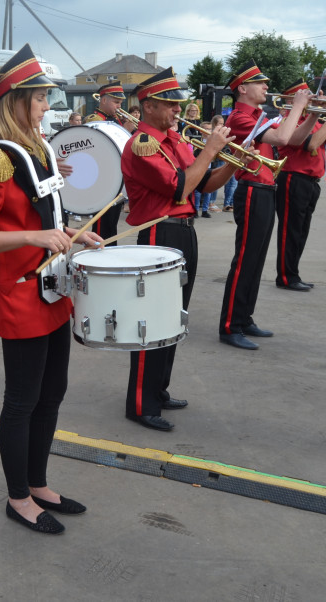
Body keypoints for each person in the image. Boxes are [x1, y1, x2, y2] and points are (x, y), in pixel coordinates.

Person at [0, 43, 102, 534]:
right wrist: (34, 237)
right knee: (22, 399)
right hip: (19, 294)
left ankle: (37, 483)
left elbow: (45, 215)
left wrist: (76, 234)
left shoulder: (36, 149)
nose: (46, 107)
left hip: (53, 291)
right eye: (39, 99)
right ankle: (18, 498)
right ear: (14, 101)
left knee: (52, 392)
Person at [121, 67, 243, 431]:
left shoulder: (174, 140)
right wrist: (210, 149)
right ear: (150, 105)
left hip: (183, 232)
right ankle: (140, 403)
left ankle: (158, 391)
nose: (178, 111)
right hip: (159, 233)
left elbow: (203, 184)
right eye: (171, 105)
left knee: (174, 318)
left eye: (178, 105)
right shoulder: (143, 143)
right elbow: (178, 188)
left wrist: (235, 164)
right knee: (152, 321)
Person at [218, 61, 317, 350]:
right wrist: (298, 104)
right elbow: (283, 137)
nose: (266, 87)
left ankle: (244, 318)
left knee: (257, 260)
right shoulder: (239, 117)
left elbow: (296, 141)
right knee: (245, 261)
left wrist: (310, 115)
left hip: (265, 189)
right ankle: (229, 326)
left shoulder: (259, 115)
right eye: (261, 83)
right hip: (251, 191)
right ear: (243, 88)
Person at [274, 80, 326, 292]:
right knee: (291, 232)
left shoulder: (312, 120)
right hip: (293, 179)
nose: (314, 97)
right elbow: (312, 144)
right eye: (306, 95)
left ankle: (293, 273)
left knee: (301, 232)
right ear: (292, 98)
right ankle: (286, 276)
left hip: (310, 183)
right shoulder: (291, 120)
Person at [83, 84, 133, 245]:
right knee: (102, 226)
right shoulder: (95, 120)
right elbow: (97, 148)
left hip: (115, 177)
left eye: (120, 103)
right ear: (103, 100)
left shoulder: (115, 120)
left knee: (111, 223)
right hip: (101, 180)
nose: (120, 106)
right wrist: (125, 128)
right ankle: (99, 251)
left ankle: (110, 250)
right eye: (116, 102)